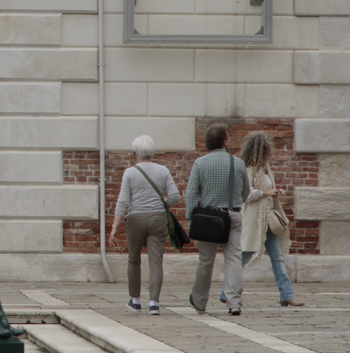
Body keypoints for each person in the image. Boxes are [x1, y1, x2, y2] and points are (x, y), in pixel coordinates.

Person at [108, 135, 180, 315]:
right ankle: (154, 303)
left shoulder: (130, 172)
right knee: (156, 262)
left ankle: (135, 300)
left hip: (135, 219)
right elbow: (175, 196)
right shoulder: (163, 171)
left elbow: (123, 201)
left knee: (134, 260)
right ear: (152, 152)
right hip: (157, 218)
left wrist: (115, 227)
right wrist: (163, 205)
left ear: (136, 153)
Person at [187, 123, 248, 315]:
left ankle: (199, 301)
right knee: (233, 259)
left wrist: (191, 218)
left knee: (206, 261)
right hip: (233, 215)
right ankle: (234, 302)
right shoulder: (238, 163)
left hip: (209, 217)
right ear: (224, 141)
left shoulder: (200, 163)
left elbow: (191, 195)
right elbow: (245, 192)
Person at [236, 131, 303, 307]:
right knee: (245, 255)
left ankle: (286, 294)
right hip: (254, 218)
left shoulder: (266, 169)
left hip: (269, 217)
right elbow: (246, 194)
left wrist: (275, 192)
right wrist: (266, 193)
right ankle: (228, 292)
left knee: (277, 257)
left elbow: (268, 189)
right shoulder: (248, 170)